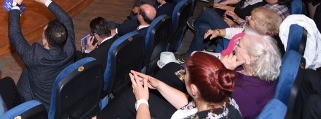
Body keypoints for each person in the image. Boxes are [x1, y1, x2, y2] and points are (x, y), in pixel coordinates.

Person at [99, 52, 241, 119]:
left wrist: (142, 101)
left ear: (194, 89)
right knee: (131, 95)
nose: (182, 75)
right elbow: (190, 105)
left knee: (137, 99)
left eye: (185, 74)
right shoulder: (224, 98)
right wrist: (159, 85)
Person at [8, 0, 75, 110]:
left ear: (45, 42)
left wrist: (15, 6)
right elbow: (67, 20)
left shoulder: (36, 57)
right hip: (56, 98)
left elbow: (14, 35)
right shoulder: (69, 49)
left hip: (38, 105)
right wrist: (46, 1)